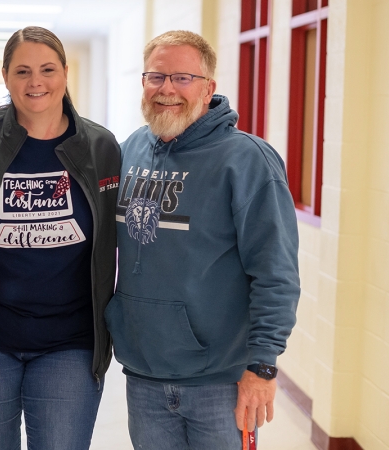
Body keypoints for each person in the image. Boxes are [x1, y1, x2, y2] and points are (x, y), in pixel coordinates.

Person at [105, 30, 300, 449]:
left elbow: (276, 272)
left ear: (209, 87)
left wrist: (262, 366)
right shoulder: (130, 150)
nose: (167, 89)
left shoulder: (247, 160)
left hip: (221, 381)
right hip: (144, 373)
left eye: (183, 78)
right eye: (156, 76)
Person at [0, 26, 121, 450]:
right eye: (22, 71)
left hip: (71, 343)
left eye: (47, 69)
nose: (36, 82)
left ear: (65, 72)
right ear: (5, 76)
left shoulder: (100, 147)